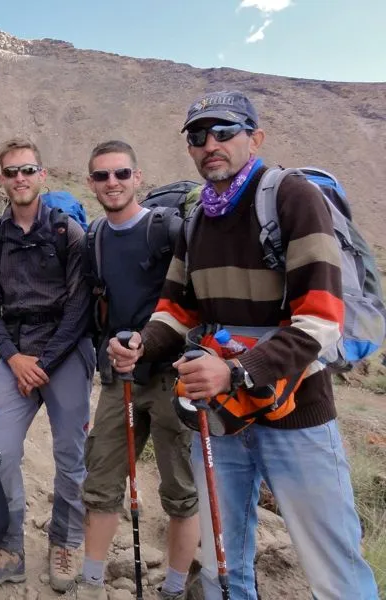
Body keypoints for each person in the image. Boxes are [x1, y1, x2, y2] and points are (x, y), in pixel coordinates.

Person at [109, 91, 380, 600]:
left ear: (254, 137)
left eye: (224, 131)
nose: (210, 143)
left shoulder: (292, 198)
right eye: (197, 135)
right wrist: (141, 344)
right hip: (221, 418)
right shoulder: (196, 218)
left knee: (334, 568)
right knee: (222, 563)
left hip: (296, 416)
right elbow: (178, 309)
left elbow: (321, 322)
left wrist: (233, 372)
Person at [76, 141, 199, 600]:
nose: (112, 183)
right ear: (91, 183)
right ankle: (91, 583)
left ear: (138, 177)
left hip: (173, 376)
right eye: (103, 176)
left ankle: (173, 586)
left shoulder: (169, 230)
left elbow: (193, 301)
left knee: (179, 490)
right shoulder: (94, 239)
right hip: (118, 380)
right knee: (101, 480)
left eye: (121, 174)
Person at [0, 138, 94, 593]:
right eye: (10, 172)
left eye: (27, 170)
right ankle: (10, 546)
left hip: (64, 351)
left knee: (70, 455)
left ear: (42, 175)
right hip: (15, 350)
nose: (19, 178)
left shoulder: (69, 234)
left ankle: (65, 540)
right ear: (1, 179)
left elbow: (80, 308)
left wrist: (42, 361)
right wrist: (13, 357)